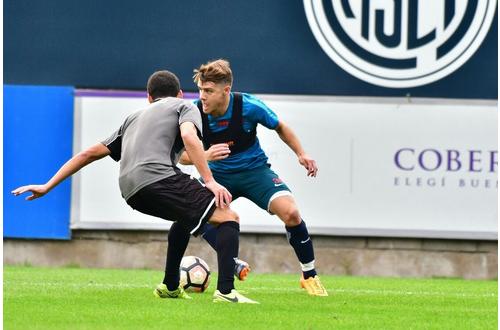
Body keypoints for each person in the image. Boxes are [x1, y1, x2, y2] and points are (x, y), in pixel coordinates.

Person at [12, 70, 258, 304]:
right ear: (180, 94)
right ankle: (226, 291)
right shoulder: (183, 106)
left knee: (184, 219)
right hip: (158, 178)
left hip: (130, 190)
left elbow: (89, 153)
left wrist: (47, 185)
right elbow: (189, 137)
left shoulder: (133, 117)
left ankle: (170, 286)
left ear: (149, 97)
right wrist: (211, 181)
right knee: (228, 216)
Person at [179, 59, 328, 296]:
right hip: (219, 178)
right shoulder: (194, 113)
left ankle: (309, 275)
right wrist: (206, 155)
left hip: (254, 172)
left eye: (208, 91)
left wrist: (301, 153)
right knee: (190, 213)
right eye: (200, 90)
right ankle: (233, 262)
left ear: (225, 90)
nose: (202, 96)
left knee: (291, 213)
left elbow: (280, 126)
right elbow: (181, 156)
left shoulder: (248, 106)